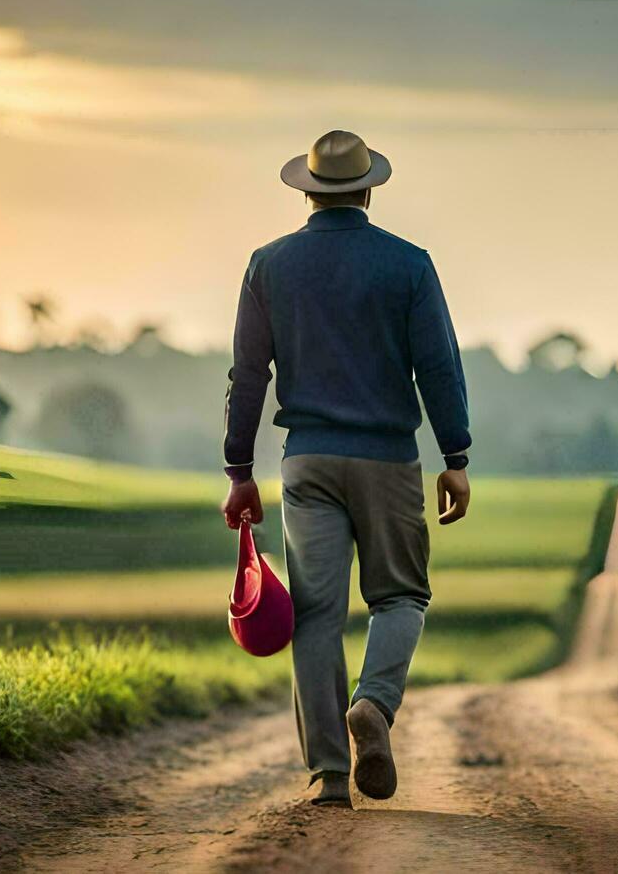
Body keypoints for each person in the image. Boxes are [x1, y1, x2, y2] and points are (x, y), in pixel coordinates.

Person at [221, 130, 472, 809]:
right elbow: (439, 368)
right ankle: (374, 705)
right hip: (388, 458)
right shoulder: (409, 265)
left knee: (317, 614)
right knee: (400, 597)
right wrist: (456, 457)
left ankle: (330, 775)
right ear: (367, 189)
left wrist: (238, 468)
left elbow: (249, 374)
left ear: (306, 191)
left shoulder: (267, 265)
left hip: (306, 461)